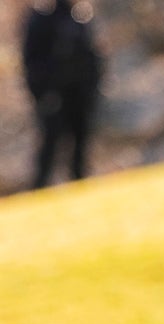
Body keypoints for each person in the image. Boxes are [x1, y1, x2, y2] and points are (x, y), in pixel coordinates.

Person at [22, 0, 101, 189]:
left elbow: (92, 58)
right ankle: (39, 188)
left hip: (79, 95)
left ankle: (79, 185)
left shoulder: (79, 18)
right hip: (53, 96)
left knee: (80, 146)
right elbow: (31, 62)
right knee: (50, 146)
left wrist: (92, 89)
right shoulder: (42, 19)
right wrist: (42, 93)